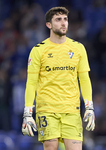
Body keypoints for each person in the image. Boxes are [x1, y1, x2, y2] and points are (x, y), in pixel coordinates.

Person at [21, 7, 95, 150]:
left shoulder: (78, 48)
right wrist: (28, 113)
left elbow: (84, 79)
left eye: (65, 19)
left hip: (72, 110)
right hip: (47, 110)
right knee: (51, 146)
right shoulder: (38, 50)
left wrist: (89, 107)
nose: (63, 23)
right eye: (58, 20)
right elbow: (31, 83)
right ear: (49, 24)